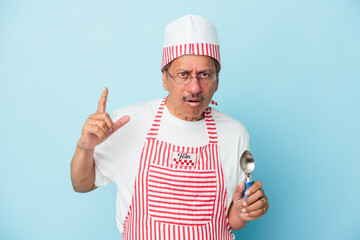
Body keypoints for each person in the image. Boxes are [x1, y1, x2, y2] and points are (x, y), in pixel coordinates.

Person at [71, 15, 269, 239]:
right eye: (183, 75)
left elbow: (232, 219)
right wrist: (84, 148)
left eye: (205, 75)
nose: (194, 87)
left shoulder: (234, 133)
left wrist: (246, 210)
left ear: (217, 80)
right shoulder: (129, 121)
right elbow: (82, 185)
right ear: (165, 79)